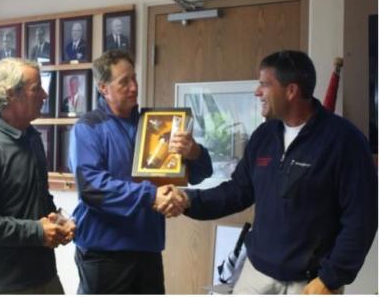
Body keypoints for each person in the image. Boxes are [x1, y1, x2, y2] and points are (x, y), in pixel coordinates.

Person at [174, 50, 378, 294]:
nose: (257, 92)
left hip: (310, 283)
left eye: (264, 85)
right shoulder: (263, 136)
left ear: (291, 91)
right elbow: (237, 192)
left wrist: (330, 279)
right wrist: (186, 199)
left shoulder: (345, 141)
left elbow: (361, 219)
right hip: (255, 274)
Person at [68, 49, 213, 294]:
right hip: (104, 253)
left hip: (147, 248)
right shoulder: (88, 127)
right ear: (103, 88)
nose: (134, 87)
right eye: (124, 82)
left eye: (134, 78)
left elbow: (200, 173)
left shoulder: (156, 124)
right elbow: (92, 188)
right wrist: (151, 196)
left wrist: (194, 152)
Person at [0, 58, 76, 294]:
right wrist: (36, 231)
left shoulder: (32, 139)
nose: (45, 94)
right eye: (36, 88)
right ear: (11, 95)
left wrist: (59, 222)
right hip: (5, 285)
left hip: (45, 277)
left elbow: (38, 199)